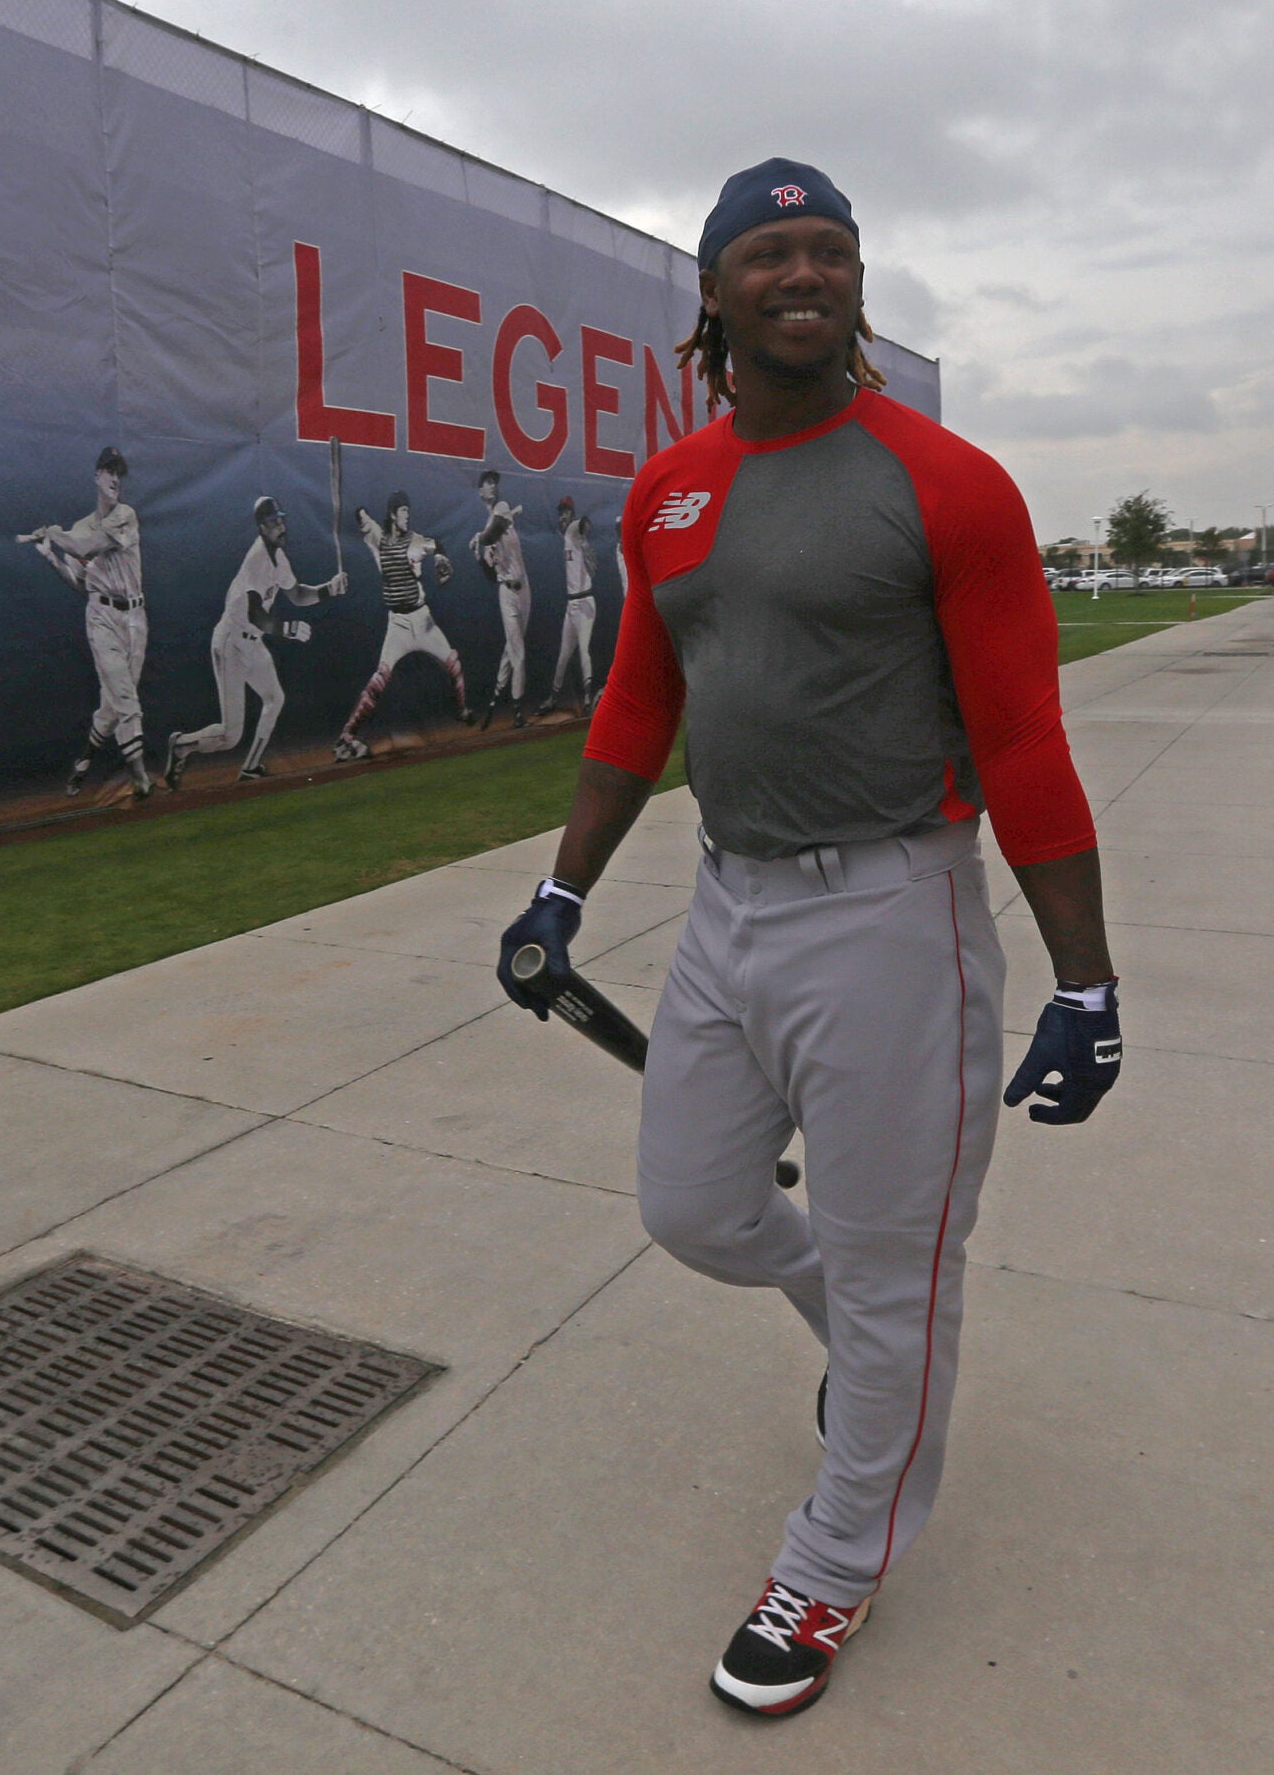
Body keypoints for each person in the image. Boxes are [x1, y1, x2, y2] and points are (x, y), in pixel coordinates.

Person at [495, 159, 1123, 1720]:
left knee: (901, 1262)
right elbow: (645, 702)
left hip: (892, 910)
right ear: (711, 291)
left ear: (856, 282)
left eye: (829, 250)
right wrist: (563, 892)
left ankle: (836, 1561)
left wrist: (1088, 980)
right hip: (731, 900)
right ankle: (860, 1348)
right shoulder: (672, 488)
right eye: (768, 252)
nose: (803, 273)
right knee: (694, 1207)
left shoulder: (945, 482)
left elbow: (1026, 739)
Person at [164, 496, 344, 786]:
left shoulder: (278, 557)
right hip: (231, 643)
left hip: (253, 642)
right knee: (229, 736)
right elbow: (257, 614)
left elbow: (296, 594)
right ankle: (181, 745)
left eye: (282, 519)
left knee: (275, 699)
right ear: (262, 527)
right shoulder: (256, 560)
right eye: (274, 522)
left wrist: (328, 590)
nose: (281, 526)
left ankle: (250, 767)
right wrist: (288, 630)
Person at [19, 445, 154, 799]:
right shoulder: (80, 527)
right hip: (102, 618)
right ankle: (142, 779)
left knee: (112, 706)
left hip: (136, 618)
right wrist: (50, 556)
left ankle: (84, 758)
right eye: (109, 471)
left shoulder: (126, 515)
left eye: (119, 473)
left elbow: (87, 545)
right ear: (96, 476)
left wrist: (53, 534)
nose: (115, 479)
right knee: (126, 698)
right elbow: (79, 582)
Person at [334, 490, 469, 760]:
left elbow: (437, 545)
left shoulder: (416, 540)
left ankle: (462, 710)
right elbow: (361, 517)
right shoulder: (379, 539)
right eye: (404, 511)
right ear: (393, 514)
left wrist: (442, 560)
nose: (408, 515)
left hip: (423, 619)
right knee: (379, 679)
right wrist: (354, 511)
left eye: (408, 510)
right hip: (398, 624)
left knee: (454, 663)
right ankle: (347, 735)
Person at [473, 469, 532, 730]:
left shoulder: (502, 508)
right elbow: (488, 575)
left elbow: (494, 530)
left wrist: (479, 541)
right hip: (506, 593)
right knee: (518, 652)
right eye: (487, 483)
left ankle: (496, 697)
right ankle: (518, 712)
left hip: (525, 589)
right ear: (480, 492)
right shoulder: (492, 524)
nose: (492, 486)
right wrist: (480, 557)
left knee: (512, 649)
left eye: (494, 482)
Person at [549, 496, 599, 714]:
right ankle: (553, 697)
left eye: (566, 511)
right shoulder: (569, 536)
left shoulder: (571, 528)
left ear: (571, 512)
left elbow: (583, 523)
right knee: (563, 655)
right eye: (561, 511)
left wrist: (582, 525)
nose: (563, 515)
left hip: (585, 601)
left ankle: (587, 699)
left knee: (583, 651)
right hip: (572, 605)